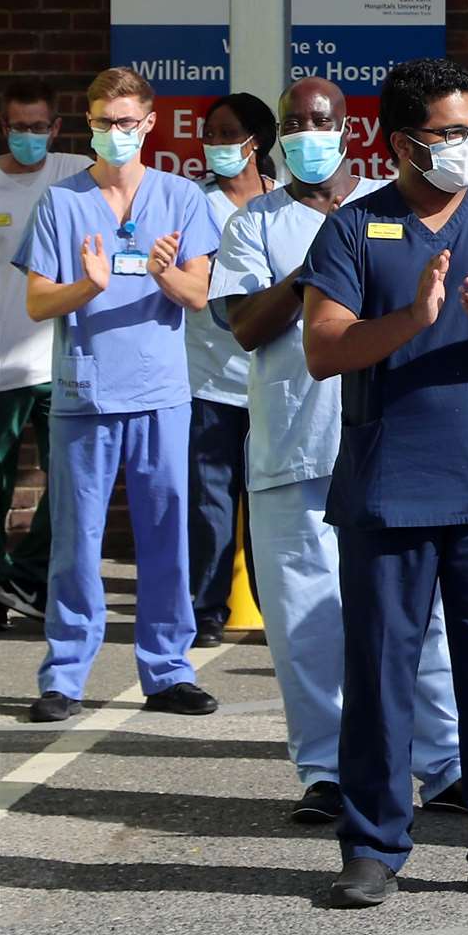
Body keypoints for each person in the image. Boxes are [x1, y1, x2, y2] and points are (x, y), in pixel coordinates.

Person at [299, 58, 468, 907]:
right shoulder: (353, 228)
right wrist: (412, 319)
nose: (467, 146)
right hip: (388, 488)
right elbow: (322, 348)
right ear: (401, 143)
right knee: (379, 674)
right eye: (449, 134)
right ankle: (374, 845)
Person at [209, 76, 464, 825]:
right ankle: (325, 771)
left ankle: (444, 763)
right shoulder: (253, 221)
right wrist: (312, 266)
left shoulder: (393, 206)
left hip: (390, 441)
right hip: (293, 447)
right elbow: (247, 327)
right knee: (308, 624)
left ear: (349, 130)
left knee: (420, 616)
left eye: (319, 121)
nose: (304, 133)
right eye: (292, 124)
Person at [13, 66, 221, 723]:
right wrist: (90, 287)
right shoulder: (63, 201)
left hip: (160, 394)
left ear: (149, 123)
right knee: (77, 544)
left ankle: (168, 670)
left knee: (166, 535)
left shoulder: (182, 198)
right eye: (105, 123)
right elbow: (39, 299)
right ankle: (65, 675)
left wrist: (163, 275)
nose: (116, 133)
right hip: (85, 395)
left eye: (127, 123)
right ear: (90, 125)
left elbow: (199, 294)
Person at [0, 80, 91, 626]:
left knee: (72, 485)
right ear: (3, 126)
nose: (29, 136)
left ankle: (26, 578)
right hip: (1, 363)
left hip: (60, 363)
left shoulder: (72, 175)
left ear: (55, 128)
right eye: (19, 127)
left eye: (39, 127)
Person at [187, 93, 275, 648]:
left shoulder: (284, 202)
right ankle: (205, 609)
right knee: (210, 501)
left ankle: (277, 604)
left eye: (228, 134)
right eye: (211, 134)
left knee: (271, 502)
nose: (217, 144)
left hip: (272, 382)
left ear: (257, 141)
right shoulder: (193, 203)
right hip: (209, 379)